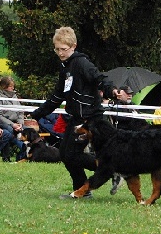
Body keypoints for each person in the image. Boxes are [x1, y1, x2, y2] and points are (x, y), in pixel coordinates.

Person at [30, 26, 117, 198]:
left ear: (73, 46)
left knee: (72, 154)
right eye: (57, 49)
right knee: (64, 153)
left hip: (90, 118)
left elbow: (99, 78)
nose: (60, 53)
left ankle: (111, 168)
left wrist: (112, 91)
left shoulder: (82, 63)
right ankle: (84, 189)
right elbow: (57, 96)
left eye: (64, 49)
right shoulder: (65, 67)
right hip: (76, 117)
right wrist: (37, 114)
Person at [0, 75, 26, 160]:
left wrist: (20, 123)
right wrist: (12, 125)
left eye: (13, 86)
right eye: (10, 86)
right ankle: (23, 149)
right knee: (9, 131)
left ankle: (24, 153)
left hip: (17, 122)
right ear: (4, 87)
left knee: (27, 130)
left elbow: (20, 111)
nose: (13, 88)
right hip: (3, 122)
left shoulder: (14, 96)